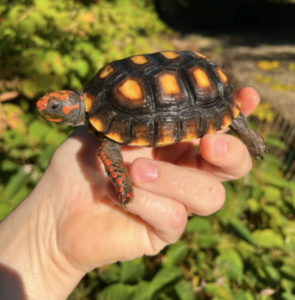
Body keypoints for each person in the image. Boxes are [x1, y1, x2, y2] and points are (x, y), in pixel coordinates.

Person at [0, 88, 260, 300]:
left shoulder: (104, 116)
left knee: (232, 125)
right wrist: (50, 248)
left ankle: (249, 135)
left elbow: (110, 147)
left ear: (74, 104)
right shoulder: (101, 114)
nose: (46, 110)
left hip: (199, 95)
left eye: (55, 107)